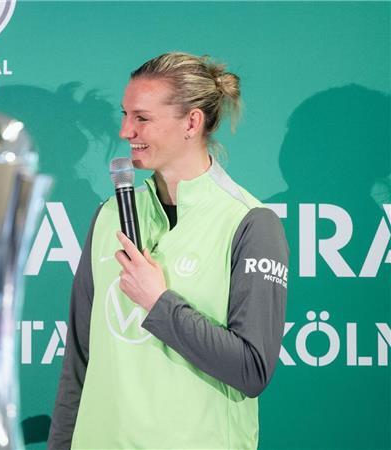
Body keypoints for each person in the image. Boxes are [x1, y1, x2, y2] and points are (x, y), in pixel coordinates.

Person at [48, 52, 288, 449]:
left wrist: (159, 302)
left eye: (142, 118)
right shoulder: (109, 215)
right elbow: (79, 359)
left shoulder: (250, 222)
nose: (126, 131)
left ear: (192, 122)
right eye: (124, 115)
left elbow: (251, 369)